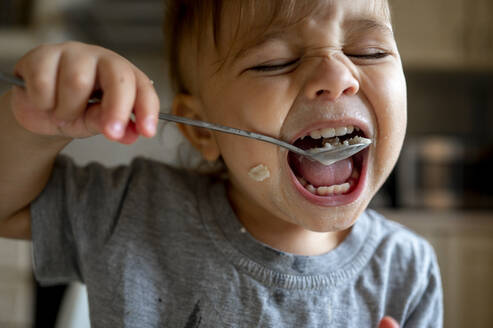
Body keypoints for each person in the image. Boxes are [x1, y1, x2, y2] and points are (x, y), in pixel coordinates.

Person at [0, 0, 443, 327]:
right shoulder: (134, 213)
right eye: (276, 62)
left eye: (370, 51)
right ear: (202, 129)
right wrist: (33, 124)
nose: (338, 77)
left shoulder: (407, 272)